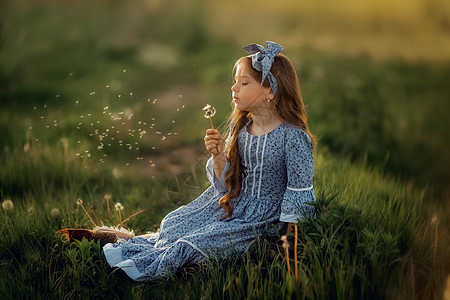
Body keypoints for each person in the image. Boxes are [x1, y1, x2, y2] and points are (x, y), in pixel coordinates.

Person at [103, 41, 317, 282]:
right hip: (234, 205)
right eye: (235, 81)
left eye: (244, 83)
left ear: (271, 91)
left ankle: (160, 266)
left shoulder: (293, 137)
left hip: (263, 220)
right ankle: (146, 246)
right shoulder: (243, 128)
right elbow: (228, 185)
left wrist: (288, 244)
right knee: (173, 223)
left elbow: (299, 192)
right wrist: (218, 156)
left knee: (193, 243)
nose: (234, 88)